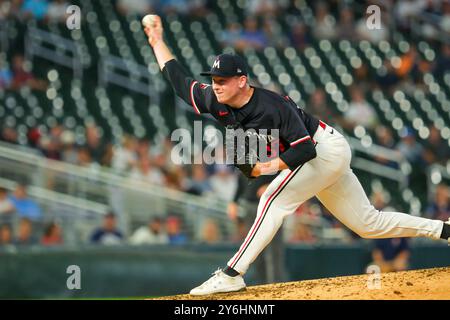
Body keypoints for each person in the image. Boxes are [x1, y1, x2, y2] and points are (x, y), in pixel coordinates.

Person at [143, 15, 450, 296]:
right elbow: (179, 79)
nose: (216, 85)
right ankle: (443, 229)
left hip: (324, 150)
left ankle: (232, 273)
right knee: (368, 224)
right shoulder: (214, 98)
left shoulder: (271, 106)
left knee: (272, 202)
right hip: (318, 160)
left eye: (222, 80)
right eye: (213, 79)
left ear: (242, 81)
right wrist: (157, 41)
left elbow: (305, 149)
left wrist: (267, 168)